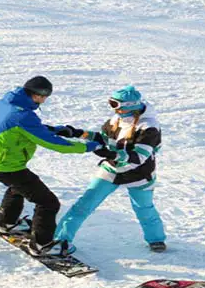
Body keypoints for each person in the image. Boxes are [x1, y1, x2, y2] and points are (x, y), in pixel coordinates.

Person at [0, 75, 104, 257]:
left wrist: (55, 129)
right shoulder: (23, 115)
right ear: (38, 95)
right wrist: (90, 146)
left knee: (18, 187)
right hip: (4, 164)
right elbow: (56, 144)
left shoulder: (7, 103)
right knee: (48, 202)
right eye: (45, 97)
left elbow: (23, 127)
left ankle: (7, 222)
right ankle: (42, 245)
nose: (45, 101)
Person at [53, 85, 167, 252]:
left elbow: (138, 157)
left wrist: (108, 153)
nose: (113, 108)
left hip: (138, 174)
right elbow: (103, 138)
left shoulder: (149, 127)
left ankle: (156, 239)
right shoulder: (117, 119)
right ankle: (61, 240)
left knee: (144, 209)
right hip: (112, 170)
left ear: (129, 106)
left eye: (115, 104)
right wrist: (77, 133)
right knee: (84, 205)